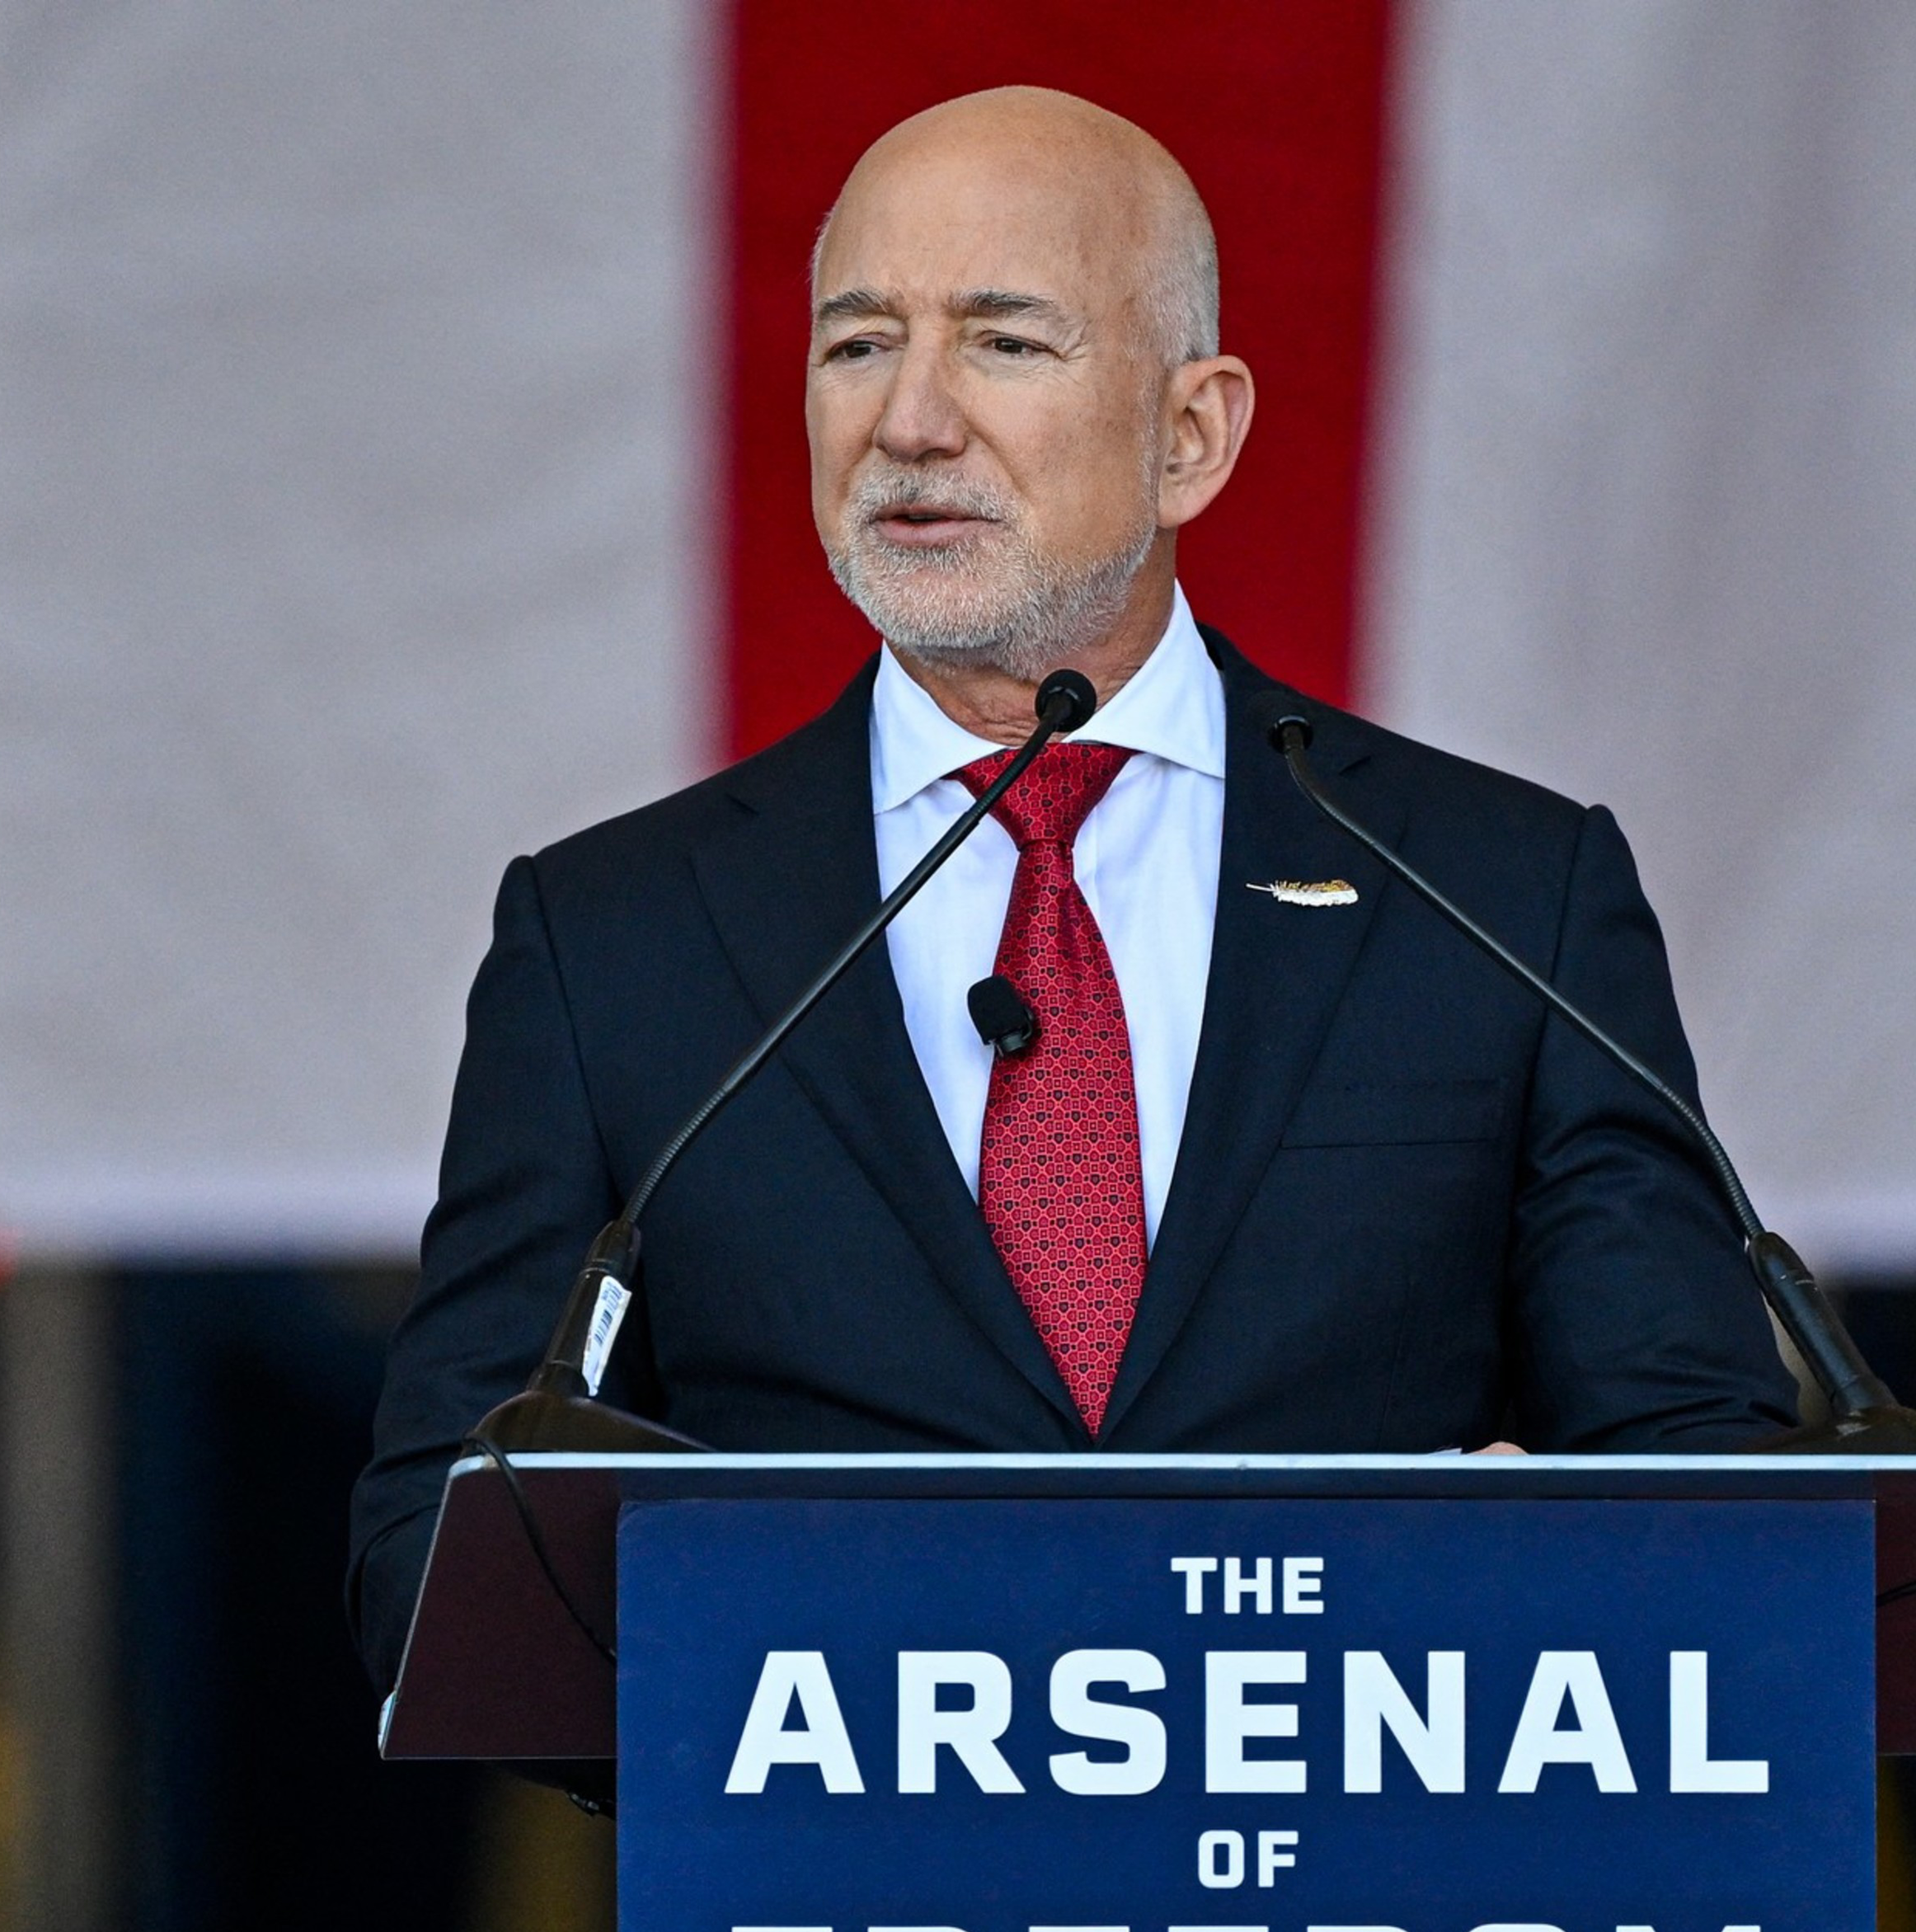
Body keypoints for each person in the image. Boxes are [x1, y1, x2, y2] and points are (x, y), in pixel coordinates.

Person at [349, 87, 1794, 1692]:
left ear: (1191, 434)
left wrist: (1492, 1594)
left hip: (1368, 1908)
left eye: (1000, 341)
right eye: (854, 343)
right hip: (844, 1917)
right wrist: (811, 1679)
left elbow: (1706, 1497)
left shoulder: (1498, 898)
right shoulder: (608, 943)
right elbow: (435, 1548)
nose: (905, 420)